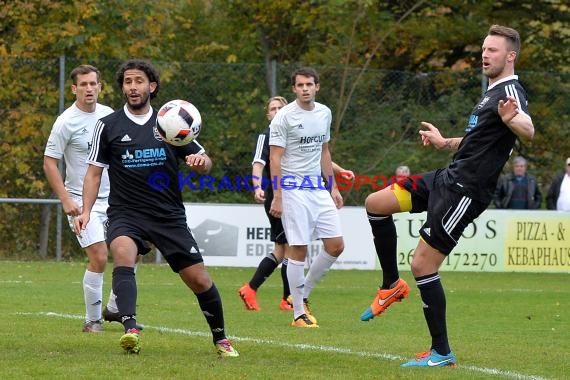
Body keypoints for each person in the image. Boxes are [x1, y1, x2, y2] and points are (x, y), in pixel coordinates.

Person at [360, 25, 534, 368]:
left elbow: (527, 129)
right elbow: (478, 142)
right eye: (484, 49)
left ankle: (442, 352)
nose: (485, 55)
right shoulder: (491, 92)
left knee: (423, 264)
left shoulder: (510, 92)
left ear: (510, 56)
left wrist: (515, 120)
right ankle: (390, 285)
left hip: (464, 191)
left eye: (493, 50)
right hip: (446, 177)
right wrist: (445, 143)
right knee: (375, 204)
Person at [73, 59, 238, 357]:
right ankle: (131, 330)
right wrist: (85, 211)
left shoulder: (170, 122)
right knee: (122, 252)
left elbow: (205, 161)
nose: (133, 87)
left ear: (152, 86)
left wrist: (202, 163)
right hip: (126, 212)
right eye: (127, 81)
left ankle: (221, 338)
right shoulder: (107, 126)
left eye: (139, 81)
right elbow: (94, 172)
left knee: (199, 279)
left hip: (167, 215)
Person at [239, 95, 354, 312]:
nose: (276, 112)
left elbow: (318, 152)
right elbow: (259, 164)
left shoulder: (294, 128)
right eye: (272, 109)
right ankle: (280, 296)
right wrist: (257, 186)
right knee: (292, 248)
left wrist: (338, 172)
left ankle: (269, 293)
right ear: (267, 114)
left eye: (279, 108)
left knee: (284, 250)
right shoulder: (267, 135)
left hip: (303, 192)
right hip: (281, 195)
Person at [43, 64, 118, 333]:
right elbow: (50, 163)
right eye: (83, 84)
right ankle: (93, 320)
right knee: (99, 256)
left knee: (129, 252)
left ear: (100, 86)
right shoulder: (66, 121)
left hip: (116, 199)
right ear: (74, 88)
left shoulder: (110, 116)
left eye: (93, 84)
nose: (89, 88)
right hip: (82, 201)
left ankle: (114, 308)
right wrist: (66, 200)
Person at [269, 67, 345, 328]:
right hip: (292, 189)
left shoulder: (324, 112)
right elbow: (275, 158)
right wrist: (277, 195)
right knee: (298, 248)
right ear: (294, 89)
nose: (305, 88)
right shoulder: (284, 117)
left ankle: (300, 295)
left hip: (317, 188)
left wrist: (332, 187)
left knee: (336, 245)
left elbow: (324, 151)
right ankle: (298, 314)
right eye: (300, 85)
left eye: (309, 84)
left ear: (317, 86)